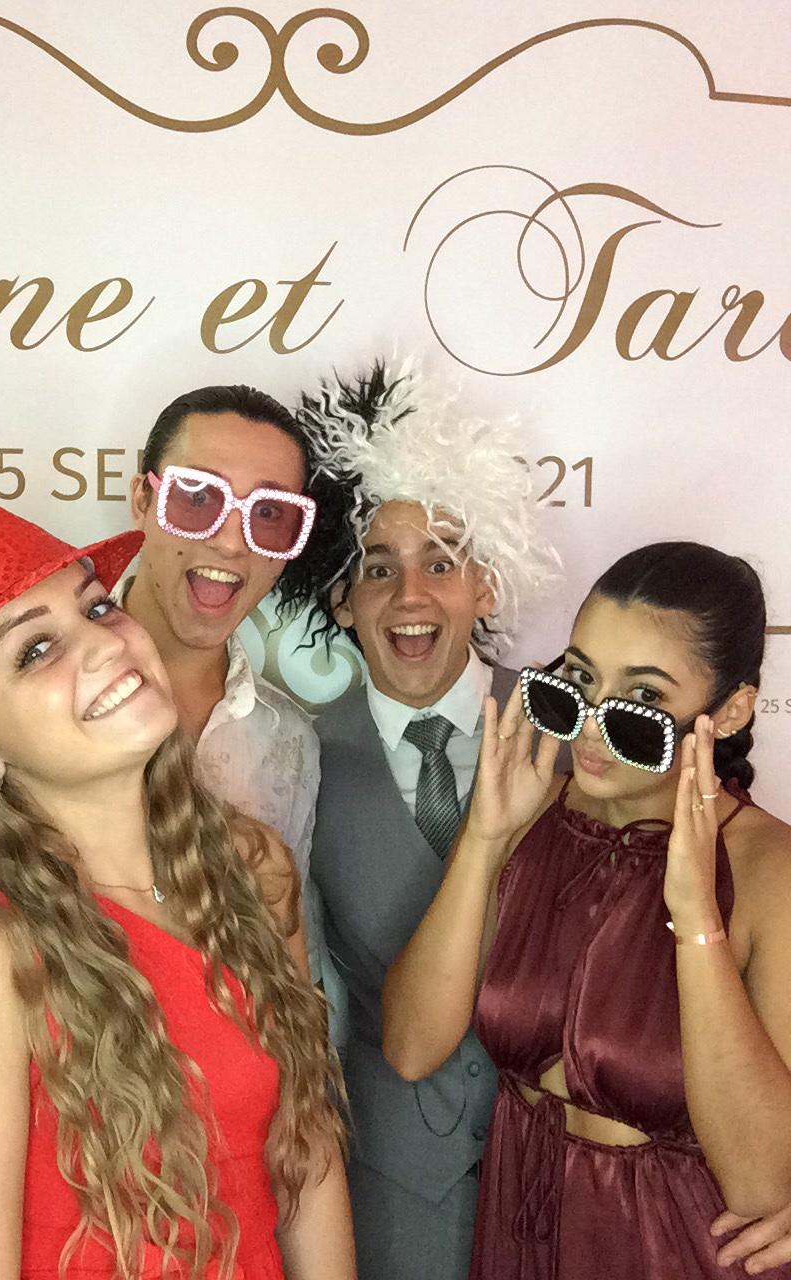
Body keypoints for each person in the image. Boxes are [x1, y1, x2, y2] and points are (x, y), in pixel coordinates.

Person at [0, 489, 354, 1280]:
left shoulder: (245, 871)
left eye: (95, 607)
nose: (102, 645)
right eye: (34, 651)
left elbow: (304, 1156)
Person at [0, 384, 325, 1040]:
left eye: (270, 514)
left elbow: (282, 986)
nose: (233, 542)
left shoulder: (291, 741)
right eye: (198, 498)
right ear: (143, 500)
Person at [383, 541, 791, 1278]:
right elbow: (413, 1046)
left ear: (729, 711)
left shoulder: (770, 871)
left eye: (643, 701)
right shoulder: (528, 814)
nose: (594, 728)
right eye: (576, 682)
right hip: (520, 1233)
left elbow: (763, 1184)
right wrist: (483, 841)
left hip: (677, 1247)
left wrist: (697, 919)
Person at [275, 360, 559, 1280]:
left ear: (487, 586)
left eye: (441, 562)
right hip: (387, 1193)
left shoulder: (572, 735)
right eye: (378, 569)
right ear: (340, 600)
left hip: (574, 1177)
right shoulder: (294, 759)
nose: (410, 595)